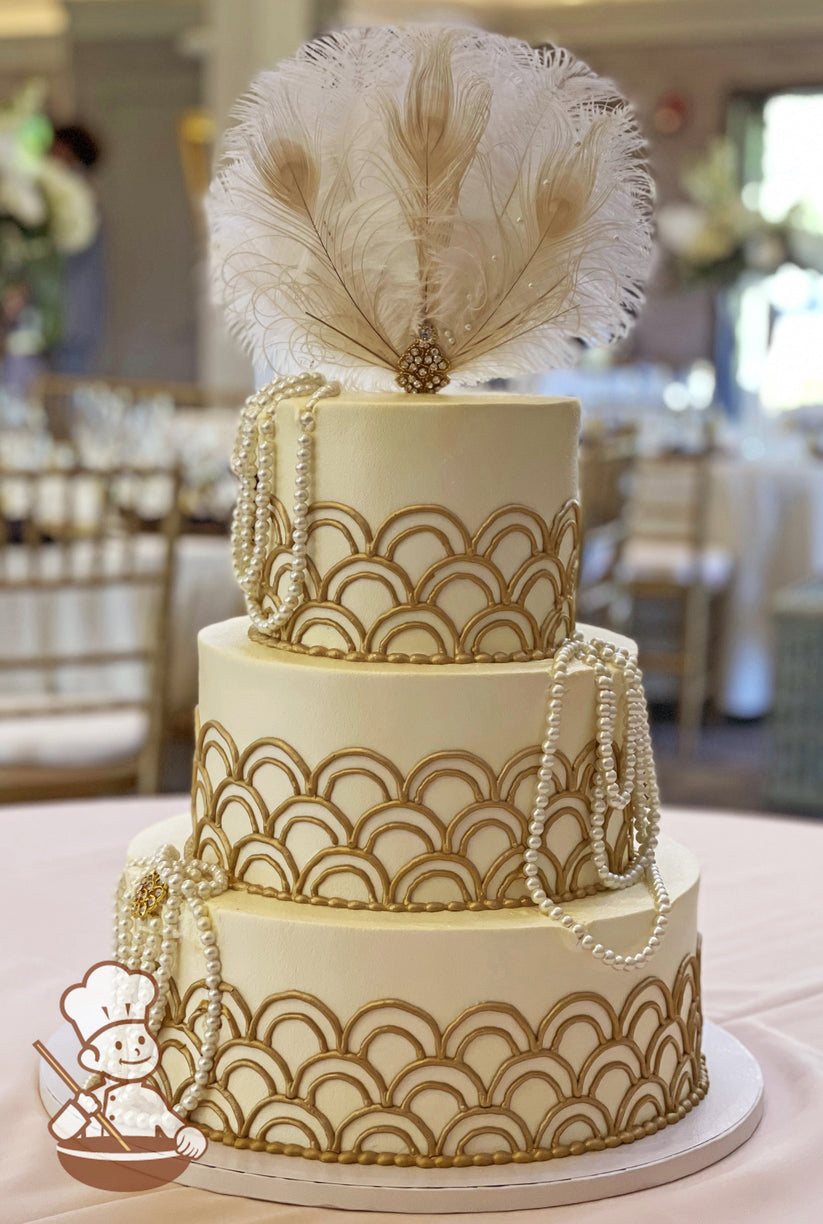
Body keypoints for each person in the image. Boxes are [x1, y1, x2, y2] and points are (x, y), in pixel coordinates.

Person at [47, 961, 206, 1158]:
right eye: (120, 1044)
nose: (138, 1049)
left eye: (141, 1039)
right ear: (94, 1058)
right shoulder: (93, 1096)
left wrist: (189, 1140)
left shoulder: (151, 1099)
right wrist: (80, 1109)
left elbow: (169, 1128)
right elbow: (61, 1131)